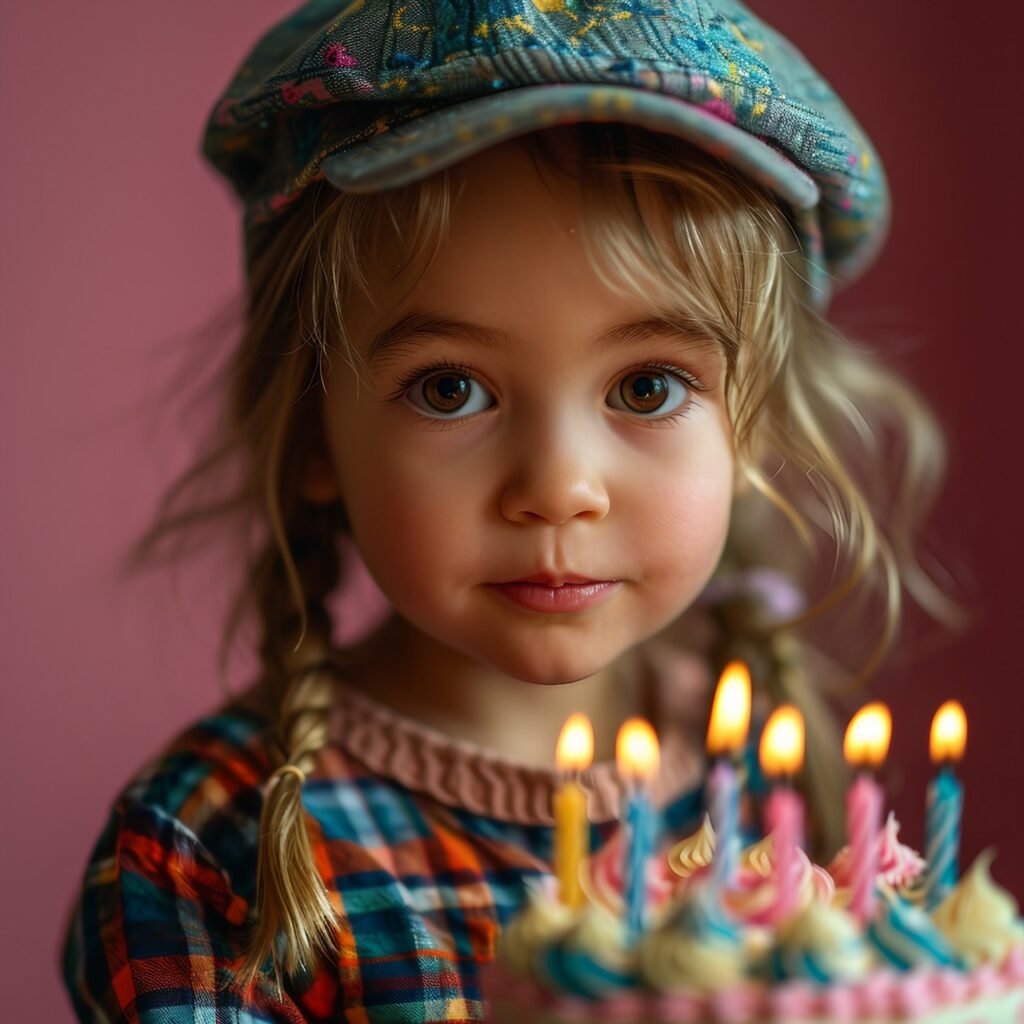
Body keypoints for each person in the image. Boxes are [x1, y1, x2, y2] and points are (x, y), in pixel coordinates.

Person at [60, 0, 963, 1020]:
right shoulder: (208, 849)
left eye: (648, 387)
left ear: (749, 431)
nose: (557, 487)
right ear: (314, 431)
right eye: (450, 387)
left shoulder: (776, 787)